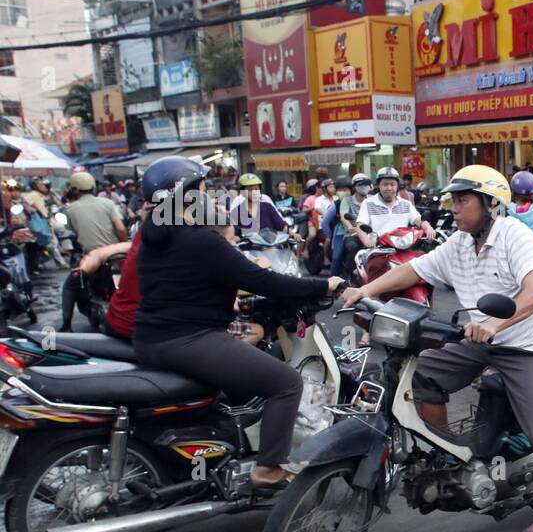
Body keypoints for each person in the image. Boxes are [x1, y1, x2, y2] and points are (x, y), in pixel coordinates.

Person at [340, 164, 533, 479]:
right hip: (482, 343)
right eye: (452, 202)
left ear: (491, 204)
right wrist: (365, 290)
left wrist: (494, 324)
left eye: (462, 201)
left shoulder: (515, 235)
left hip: (529, 347)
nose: (453, 209)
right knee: (423, 374)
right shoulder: (460, 243)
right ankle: (449, 458)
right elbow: (415, 269)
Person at [133, 157, 341, 491]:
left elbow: (193, 285)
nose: (211, 195)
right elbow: (263, 280)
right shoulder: (202, 241)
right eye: (205, 189)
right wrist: (323, 284)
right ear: (189, 196)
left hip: (151, 340)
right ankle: (269, 468)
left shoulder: (153, 239)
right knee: (286, 383)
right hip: (191, 340)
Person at [60, 171, 128, 331]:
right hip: (116, 256)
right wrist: (124, 247)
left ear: (75, 189)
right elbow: (120, 228)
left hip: (91, 259)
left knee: (70, 286)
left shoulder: (71, 209)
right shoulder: (108, 203)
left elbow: (71, 231)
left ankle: (66, 325)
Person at [356, 167, 433, 247]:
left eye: (392, 184)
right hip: (379, 249)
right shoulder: (368, 203)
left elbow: (418, 219)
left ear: (397, 186)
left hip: (403, 247)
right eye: (385, 184)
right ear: (379, 185)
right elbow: (360, 226)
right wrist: (367, 242)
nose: (389, 188)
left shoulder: (406, 204)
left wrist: (428, 228)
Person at [331, 174, 368, 278]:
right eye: (341, 189)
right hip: (348, 233)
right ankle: (341, 278)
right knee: (338, 255)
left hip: (369, 234)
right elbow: (343, 217)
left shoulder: (371, 200)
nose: (363, 187)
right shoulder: (344, 201)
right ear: (354, 187)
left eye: (365, 184)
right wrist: (349, 227)